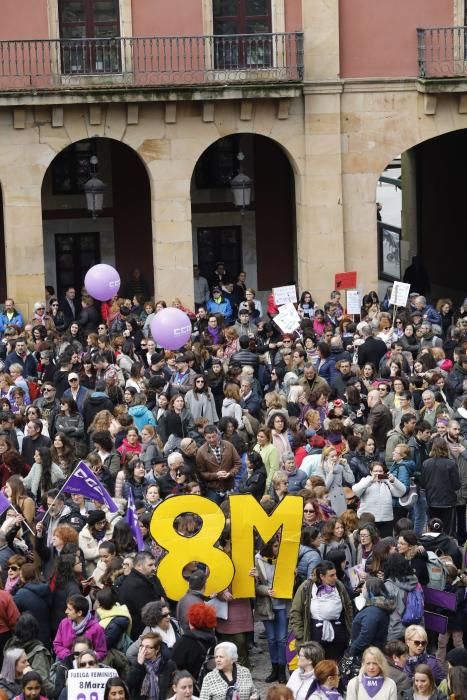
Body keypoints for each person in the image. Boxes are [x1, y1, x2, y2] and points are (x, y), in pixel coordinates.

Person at [289, 560, 353, 660]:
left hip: (338, 635)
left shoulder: (339, 586)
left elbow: (348, 606)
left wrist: (349, 628)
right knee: (317, 666)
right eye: (331, 575)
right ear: (322, 576)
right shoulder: (306, 587)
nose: (335, 578)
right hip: (315, 635)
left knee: (335, 666)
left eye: (335, 574)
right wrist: (300, 635)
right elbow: (295, 612)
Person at [255, 538, 289, 683]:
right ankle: (274, 669)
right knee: (271, 639)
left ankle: (282, 670)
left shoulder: (286, 558)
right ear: (268, 547)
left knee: (281, 639)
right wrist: (266, 591)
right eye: (275, 546)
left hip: (282, 604)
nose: (278, 548)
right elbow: (254, 587)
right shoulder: (257, 561)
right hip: (267, 605)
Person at [118, 552, 165, 640]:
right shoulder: (137, 585)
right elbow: (150, 613)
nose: (154, 568)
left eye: (154, 565)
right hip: (143, 634)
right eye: (150, 565)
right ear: (139, 566)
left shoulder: (140, 579)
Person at [352, 462, 406, 537]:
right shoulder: (365, 480)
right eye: (375, 471)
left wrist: (394, 481)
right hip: (368, 520)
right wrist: (370, 480)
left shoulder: (387, 481)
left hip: (386, 519)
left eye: (380, 471)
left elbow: (401, 492)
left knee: (386, 544)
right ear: (371, 472)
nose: (378, 473)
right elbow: (355, 490)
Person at [171, 603, 217, 687]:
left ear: (191, 622)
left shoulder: (184, 642)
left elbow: (173, 667)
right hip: (209, 685)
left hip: (189, 687)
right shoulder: (213, 639)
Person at [420, 437, 460, 534]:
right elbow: (456, 485)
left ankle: (433, 548)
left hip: (432, 501)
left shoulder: (426, 463)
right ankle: (444, 548)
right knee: (447, 530)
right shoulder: (451, 464)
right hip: (448, 502)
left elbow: (423, 483)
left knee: (433, 528)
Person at [53, 593, 107, 661]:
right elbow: (57, 644)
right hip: (65, 662)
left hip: (87, 666)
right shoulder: (64, 623)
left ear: (79, 613)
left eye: (69, 609)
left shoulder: (97, 629)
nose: (66, 611)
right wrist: (69, 656)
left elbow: (101, 652)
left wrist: (86, 658)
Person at [127, 631, 176, 700]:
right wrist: (138, 664)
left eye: (148, 647)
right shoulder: (138, 664)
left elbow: (173, 687)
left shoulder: (168, 665)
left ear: (157, 649)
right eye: (142, 646)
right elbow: (129, 685)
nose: (143, 650)